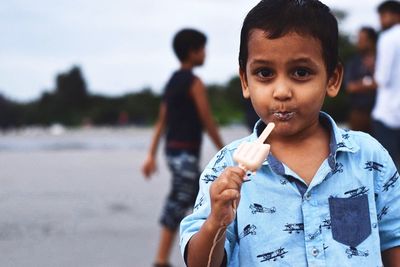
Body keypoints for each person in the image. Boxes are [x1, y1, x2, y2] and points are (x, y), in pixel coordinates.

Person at [180, 1, 400, 266]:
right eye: (264, 73)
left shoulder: (368, 157)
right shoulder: (226, 166)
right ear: (245, 81)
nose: (281, 91)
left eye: (301, 72)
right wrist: (216, 221)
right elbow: (199, 263)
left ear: (332, 79)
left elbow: (393, 241)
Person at [141, 28, 224, 267]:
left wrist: (151, 155)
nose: (206, 53)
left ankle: (209, 253)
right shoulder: (194, 83)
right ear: (192, 52)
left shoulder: (172, 81)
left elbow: (161, 122)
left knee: (202, 197)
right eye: (203, 48)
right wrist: (223, 151)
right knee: (180, 201)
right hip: (186, 153)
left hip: (173, 152)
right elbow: (208, 121)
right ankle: (160, 260)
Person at [372, 0, 400, 167]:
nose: (381, 21)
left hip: (388, 112)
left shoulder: (388, 38)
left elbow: (382, 78)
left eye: (382, 16)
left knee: (388, 169)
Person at [344, 27, 378, 133]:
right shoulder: (354, 62)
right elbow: (350, 87)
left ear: (371, 41)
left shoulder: (382, 60)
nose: (359, 42)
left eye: (362, 39)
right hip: (358, 113)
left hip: (379, 114)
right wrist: (370, 84)